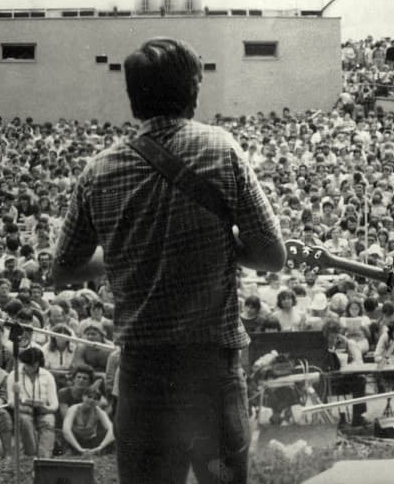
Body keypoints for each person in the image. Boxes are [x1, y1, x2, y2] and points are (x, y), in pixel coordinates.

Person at [52, 37, 286, 483]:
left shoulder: (99, 170)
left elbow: (63, 266)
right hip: (210, 368)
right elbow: (271, 256)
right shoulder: (221, 150)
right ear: (192, 92)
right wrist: (223, 246)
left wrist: (121, 254)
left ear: (133, 97)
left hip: (142, 371)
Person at [12, 347, 58, 458]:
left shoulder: (47, 376)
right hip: (24, 409)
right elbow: (11, 401)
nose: (29, 367)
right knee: (25, 420)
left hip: (43, 409)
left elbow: (54, 403)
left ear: (38, 363)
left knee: (48, 420)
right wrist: (22, 405)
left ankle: (44, 457)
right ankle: (31, 455)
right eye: (26, 364)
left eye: (32, 365)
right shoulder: (14, 375)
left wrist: (48, 409)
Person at [61, 387, 115, 456]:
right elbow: (66, 430)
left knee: (111, 432)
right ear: (83, 397)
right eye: (89, 397)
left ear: (98, 402)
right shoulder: (74, 409)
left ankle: (100, 452)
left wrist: (100, 447)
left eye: (95, 398)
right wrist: (79, 449)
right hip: (75, 440)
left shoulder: (99, 411)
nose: (92, 400)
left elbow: (112, 430)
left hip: (91, 441)